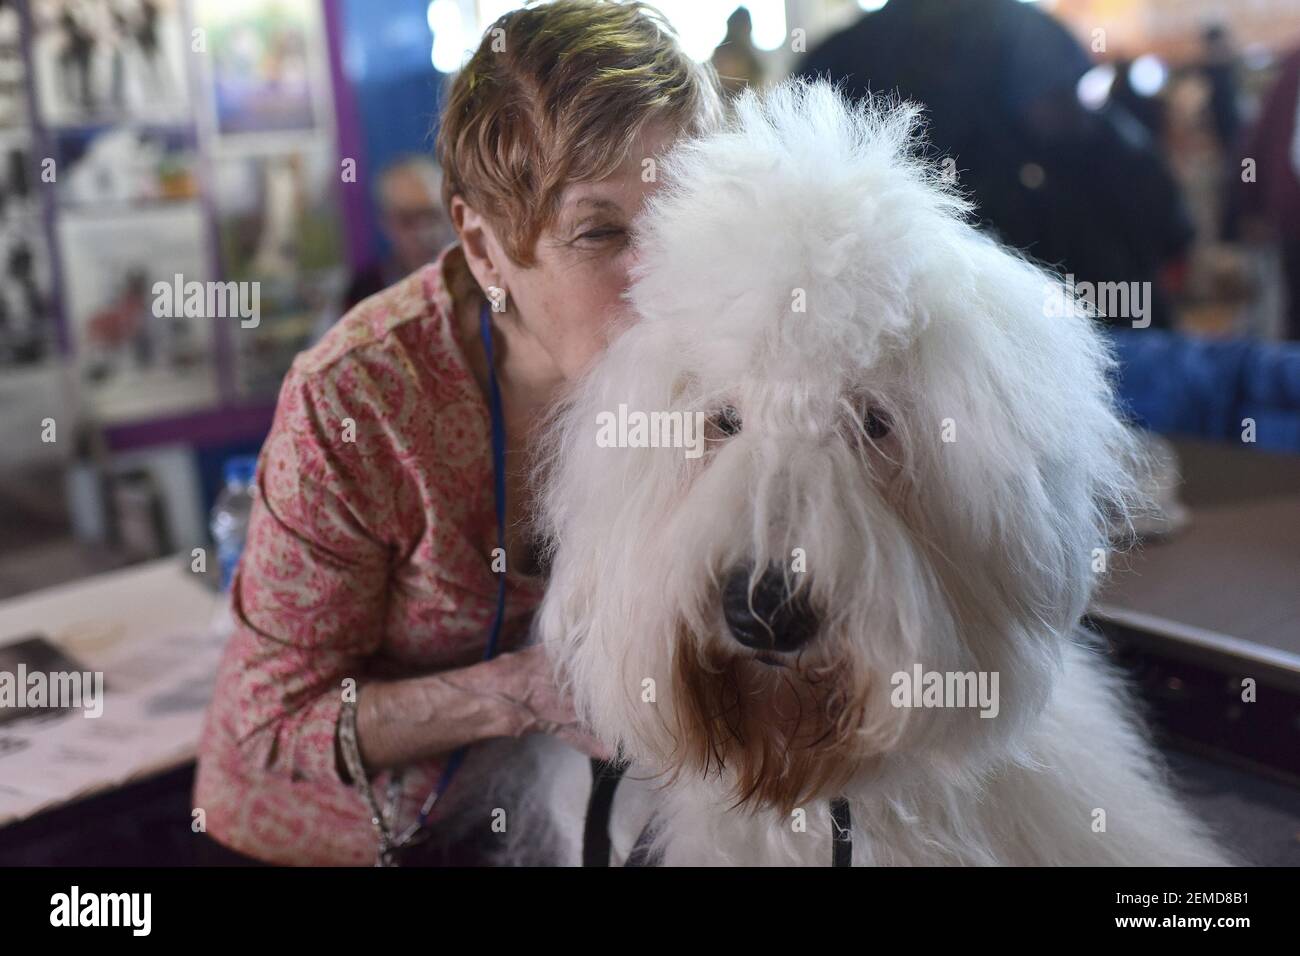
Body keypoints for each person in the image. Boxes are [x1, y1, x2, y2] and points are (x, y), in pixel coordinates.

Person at [194, 0, 722, 866]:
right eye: (601, 232)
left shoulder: (719, 353)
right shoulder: (359, 402)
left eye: (686, 216)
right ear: (482, 245)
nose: (660, 276)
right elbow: (272, 723)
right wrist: (521, 693)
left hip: (553, 822)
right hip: (342, 837)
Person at [795, 0, 1193, 330]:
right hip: (1040, 282)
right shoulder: (1022, 30)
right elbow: (1067, 124)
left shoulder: (837, 53)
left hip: (892, 303)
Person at [340, 156, 456, 313]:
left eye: (432, 215)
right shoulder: (363, 293)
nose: (423, 231)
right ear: (386, 222)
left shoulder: (480, 276)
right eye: (407, 220)